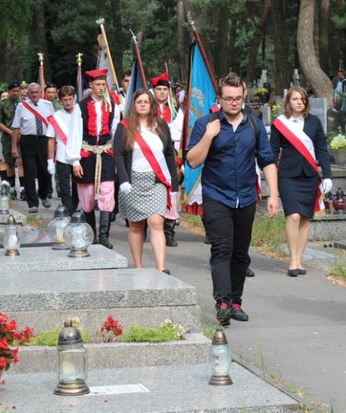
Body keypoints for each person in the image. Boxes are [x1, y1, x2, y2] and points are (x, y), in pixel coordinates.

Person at [186, 73, 280, 326]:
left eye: (238, 98)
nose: (234, 103)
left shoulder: (254, 125)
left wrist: (274, 195)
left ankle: (236, 301)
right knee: (221, 249)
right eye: (228, 99)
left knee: (240, 254)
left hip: (247, 197)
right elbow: (193, 160)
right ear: (220, 99)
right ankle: (223, 303)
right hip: (217, 196)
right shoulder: (206, 124)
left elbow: (267, 160)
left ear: (244, 95)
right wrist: (208, 136)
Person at [270, 86, 333, 277]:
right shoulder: (280, 124)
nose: (299, 102)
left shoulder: (313, 122)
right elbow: (273, 152)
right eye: (295, 99)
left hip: (309, 176)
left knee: (305, 218)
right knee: (294, 216)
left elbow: (321, 148)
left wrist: (328, 175)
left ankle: (299, 259)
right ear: (288, 101)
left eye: (302, 99)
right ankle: (292, 260)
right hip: (288, 175)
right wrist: (268, 175)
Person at [114, 89, 177, 272]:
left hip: (156, 181)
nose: (142, 104)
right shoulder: (124, 126)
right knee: (136, 225)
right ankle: (139, 267)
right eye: (139, 101)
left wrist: (172, 182)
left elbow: (169, 154)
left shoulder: (161, 125)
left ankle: (161, 268)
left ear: (151, 105)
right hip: (133, 182)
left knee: (157, 223)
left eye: (146, 101)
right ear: (134, 105)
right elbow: (118, 153)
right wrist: (124, 180)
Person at [67, 69, 120, 248]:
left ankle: (104, 236)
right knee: (87, 196)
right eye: (97, 85)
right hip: (87, 154)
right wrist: (75, 161)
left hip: (105, 153)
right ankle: (91, 234)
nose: (100, 88)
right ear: (90, 85)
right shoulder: (80, 107)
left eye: (103, 85)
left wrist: (117, 157)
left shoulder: (112, 105)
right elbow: (74, 134)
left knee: (107, 192)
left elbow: (114, 132)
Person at [150, 72, 184, 247]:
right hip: (152, 154)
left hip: (171, 152)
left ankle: (169, 230)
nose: (162, 92)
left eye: (165, 89)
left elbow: (181, 130)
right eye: (159, 89)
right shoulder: (147, 107)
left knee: (173, 188)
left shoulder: (176, 109)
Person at [11, 82, 55, 213]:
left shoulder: (48, 105)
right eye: (32, 92)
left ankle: (43, 194)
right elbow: (16, 127)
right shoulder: (21, 106)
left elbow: (53, 124)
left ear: (41, 92)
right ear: (27, 93)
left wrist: (55, 143)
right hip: (27, 141)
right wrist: (14, 146)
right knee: (29, 172)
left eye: (36, 92)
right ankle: (32, 203)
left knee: (45, 171)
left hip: (44, 140)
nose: (34, 95)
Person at [50, 85, 80, 213]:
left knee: (78, 187)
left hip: (78, 156)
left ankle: (73, 209)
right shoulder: (56, 116)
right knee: (64, 188)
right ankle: (70, 213)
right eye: (65, 100)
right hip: (62, 156)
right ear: (60, 101)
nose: (68, 102)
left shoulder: (80, 113)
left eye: (70, 99)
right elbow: (50, 139)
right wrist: (49, 160)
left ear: (73, 98)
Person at [0, 81, 22, 199]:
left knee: (21, 161)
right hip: (8, 136)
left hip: (22, 136)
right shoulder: (3, 104)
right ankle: (11, 188)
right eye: (13, 91)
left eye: (18, 91)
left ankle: (23, 187)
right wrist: (11, 132)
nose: (16, 93)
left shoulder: (23, 104)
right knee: (10, 162)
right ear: (9, 91)